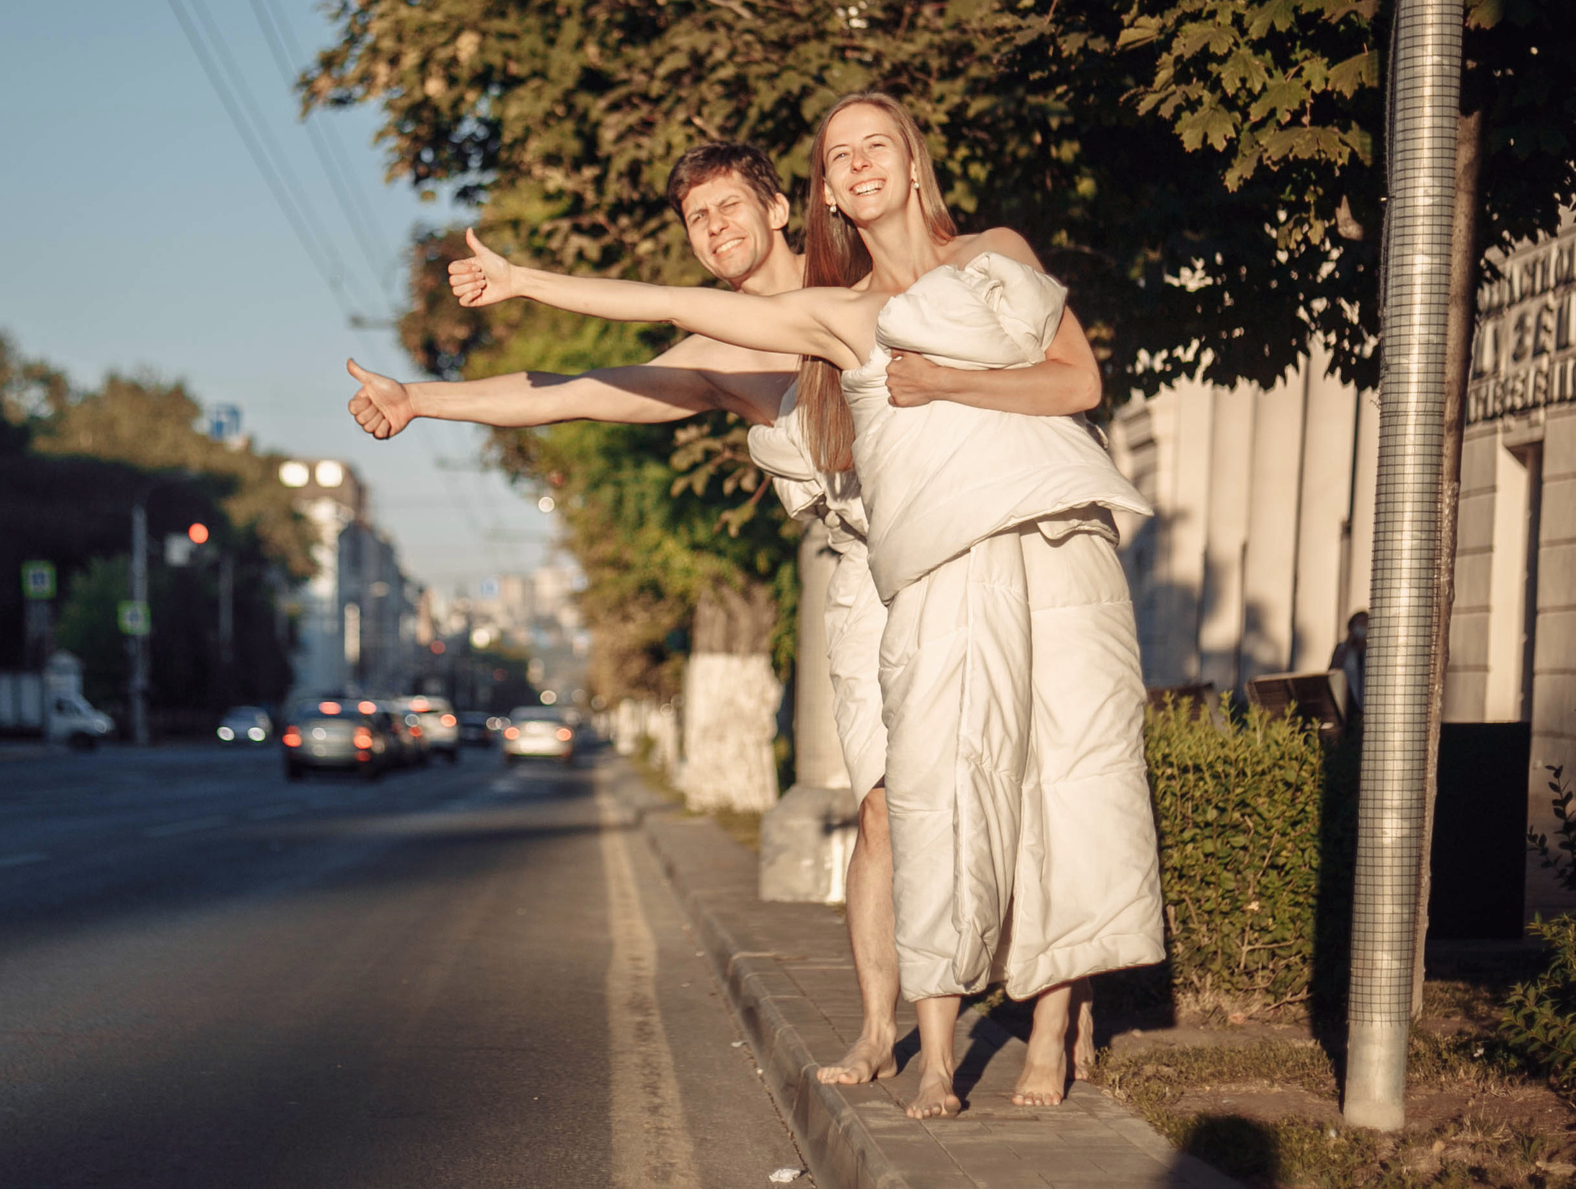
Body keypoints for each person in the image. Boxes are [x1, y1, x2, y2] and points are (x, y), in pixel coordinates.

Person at [448, 91, 1164, 1116]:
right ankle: (897, 1034)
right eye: (842, 155)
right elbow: (633, 339)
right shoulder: (818, 320)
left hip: (1037, 538)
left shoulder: (985, 256)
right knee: (915, 795)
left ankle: (1054, 1017)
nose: (862, 164)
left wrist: (943, 384)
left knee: (1059, 771)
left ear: (906, 166)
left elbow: (1072, 381)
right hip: (905, 565)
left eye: (879, 145)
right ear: (824, 187)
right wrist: (485, 324)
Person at [344, 142, 908, 1086]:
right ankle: (881, 1030)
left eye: (730, 205)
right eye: (697, 218)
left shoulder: (869, 290)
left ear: (778, 208)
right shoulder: (713, 353)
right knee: (882, 803)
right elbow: (571, 394)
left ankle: (1054, 1002)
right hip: (864, 584)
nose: (715, 228)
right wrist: (420, 400)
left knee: (988, 779)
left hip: (949, 550)